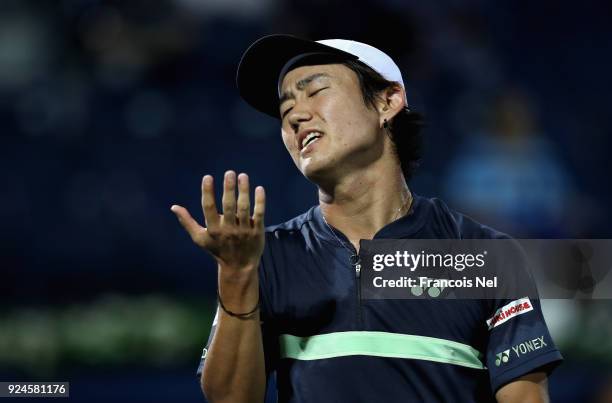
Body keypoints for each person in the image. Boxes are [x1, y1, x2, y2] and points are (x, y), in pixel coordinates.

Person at [170, 35, 562, 403]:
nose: (294, 116)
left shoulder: (484, 256)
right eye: (285, 108)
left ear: (388, 102)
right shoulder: (266, 256)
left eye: (316, 91)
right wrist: (237, 277)